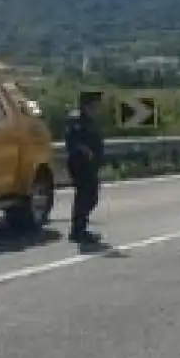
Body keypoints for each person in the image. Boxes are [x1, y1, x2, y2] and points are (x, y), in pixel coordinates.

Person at [65, 90, 106, 245]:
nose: (98, 109)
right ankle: (78, 230)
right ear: (86, 105)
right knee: (84, 196)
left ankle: (80, 227)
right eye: (95, 105)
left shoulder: (90, 120)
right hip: (81, 164)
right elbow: (74, 140)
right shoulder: (77, 120)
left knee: (91, 197)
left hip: (90, 165)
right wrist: (85, 151)